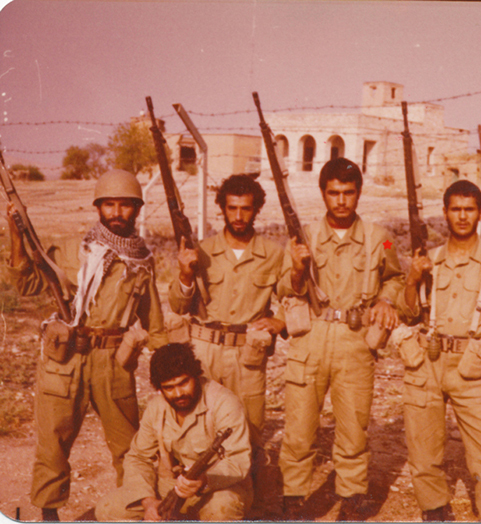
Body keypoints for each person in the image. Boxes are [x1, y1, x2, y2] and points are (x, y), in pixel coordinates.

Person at [5, 169, 168, 521]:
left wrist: (172, 369)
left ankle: (133, 510)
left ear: (138, 209)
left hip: (114, 362)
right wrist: (15, 235)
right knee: (53, 444)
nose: (117, 213)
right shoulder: (70, 250)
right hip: (65, 361)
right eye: (109, 205)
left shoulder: (141, 262)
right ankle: (49, 515)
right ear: (97, 207)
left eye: (125, 205)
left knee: (129, 447)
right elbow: (28, 285)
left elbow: (154, 321)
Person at [277, 157, 404, 520]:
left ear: (359, 193)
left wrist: (386, 300)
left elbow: (395, 276)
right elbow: (284, 288)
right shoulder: (303, 237)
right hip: (311, 337)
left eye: (348, 192)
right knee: (299, 427)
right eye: (334, 193)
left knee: (353, 426)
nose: (341, 200)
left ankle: (351, 496)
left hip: (354, 340)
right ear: (322, 193)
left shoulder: (381, 238)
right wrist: (297, 268)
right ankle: (294, 498)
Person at [399, 179, 481, 521]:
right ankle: (434, 510)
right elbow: (408, 313)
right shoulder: (429, 260)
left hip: (473, 367)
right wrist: (412, 278)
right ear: (445, 213)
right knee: (423, 450)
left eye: (470, 209)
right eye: (456, 209)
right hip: (427, 361)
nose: (463, 216)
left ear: (480, 213)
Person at [168, 174, 284, 502]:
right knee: (198, 423)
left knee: (250, 428)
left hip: (246, 355)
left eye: (246, 208)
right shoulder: (201, 250)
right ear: (221, 208)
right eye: (232, 208)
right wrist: (186, 274)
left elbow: (293, 297)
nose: (238, 216)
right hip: (203, 352)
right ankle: (196, 498)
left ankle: (252, 503)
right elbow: (178, 305)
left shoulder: (274, 254)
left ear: (256, 209)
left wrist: (279, 321)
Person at [95, 342, 253, 521]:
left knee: (222, 508)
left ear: (196, 375)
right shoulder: (156, 408)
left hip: (217, 487)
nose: (178, 394)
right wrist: (148, 502)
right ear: (159, 388)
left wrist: (204, 480)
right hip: (172, 487)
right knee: (108, 509)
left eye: (184, 383)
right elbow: (138, 458)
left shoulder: (223, 403)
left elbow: (238, 459)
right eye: (169, 388)